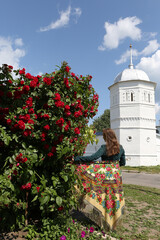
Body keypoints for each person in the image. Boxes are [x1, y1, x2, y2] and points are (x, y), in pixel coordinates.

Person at [74, 128, 125, 231]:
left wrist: (76, 159)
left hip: (104, 179)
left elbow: (92, 158)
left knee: (104, 197)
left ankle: (104, 221)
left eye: (104, 136)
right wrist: (113, 167)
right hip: (115, 178)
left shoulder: (104, 147)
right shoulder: (121, 148)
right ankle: (112, 225)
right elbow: (123, 163)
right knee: (113, 198)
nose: (103, 138)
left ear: (107, 137)